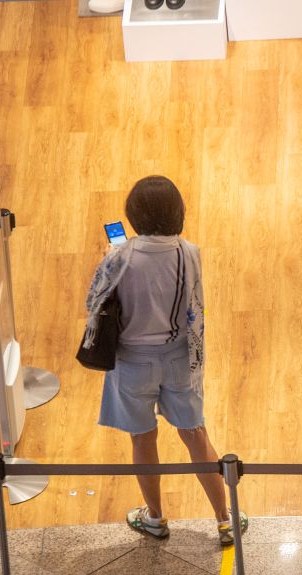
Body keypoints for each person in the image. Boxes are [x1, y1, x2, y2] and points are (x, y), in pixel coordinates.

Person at [83, 176, 246, 546]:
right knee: (195, 434)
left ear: (134, 215)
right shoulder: (190, 252)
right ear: (177, 212)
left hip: (131, 362)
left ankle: (154, 518)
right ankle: (225, 518)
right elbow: (194, 309)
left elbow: (93, 306)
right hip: (178, 359)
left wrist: (107, 258)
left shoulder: (119, 259)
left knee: (143, 438)